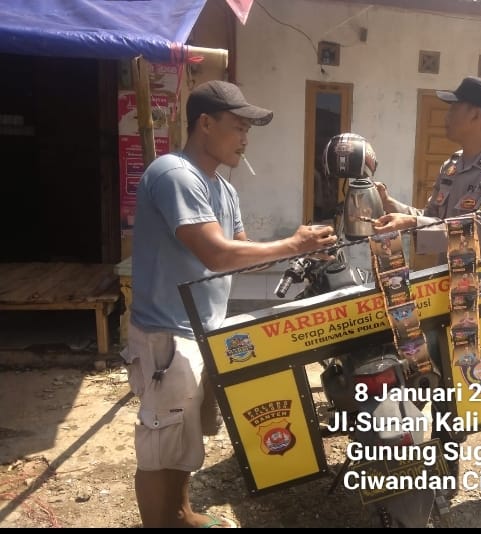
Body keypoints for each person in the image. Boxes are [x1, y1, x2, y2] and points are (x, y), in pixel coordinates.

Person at [121, 80, 337, 528]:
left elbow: (241, 254)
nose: (245, 139)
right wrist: (292, 243)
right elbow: (216, 255)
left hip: (203, 329)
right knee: (160, 442)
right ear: (205, 123)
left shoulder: (222, 188)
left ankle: (181, 514)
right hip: (167, 334)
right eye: (238, 127)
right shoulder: (175, 174)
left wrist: (303, 249)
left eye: (247, 130)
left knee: (185, 435)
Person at [372, 76, 481, 528]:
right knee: (445, 390)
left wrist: (412, 224)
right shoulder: (450, 166)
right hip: (444, 299)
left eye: (454, 107)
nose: (445, 114)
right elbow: (435, 221)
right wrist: (397, 208)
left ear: (475, 114)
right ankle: (447, 478)